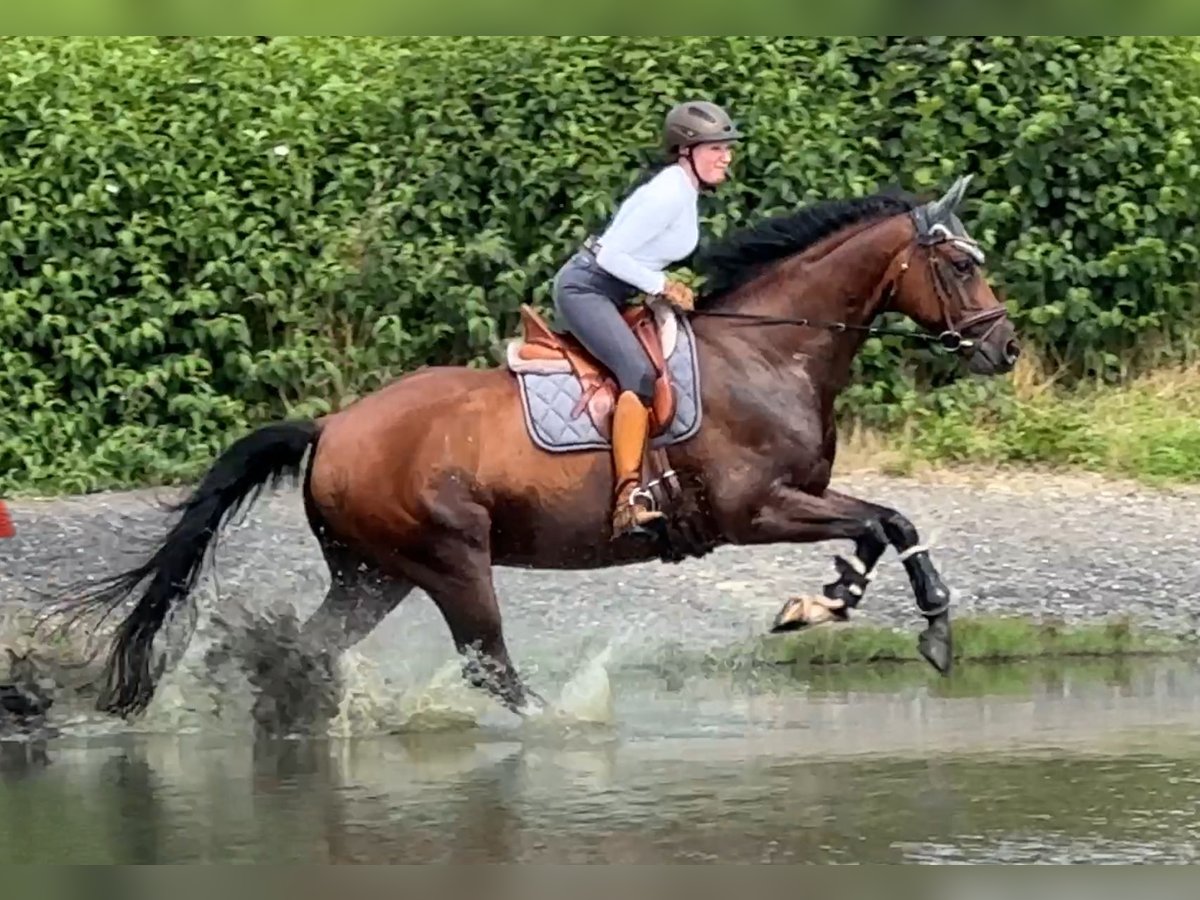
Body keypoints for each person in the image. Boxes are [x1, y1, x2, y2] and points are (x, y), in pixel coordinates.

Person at [552, 99, 743, 538]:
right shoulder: (669, 193)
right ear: (686, 151)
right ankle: (626, 499)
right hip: (587, 290)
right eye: (716, 148)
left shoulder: (683, 189)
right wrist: (660, 286)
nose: (726, 156)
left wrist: (662, 284)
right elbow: (611, 254)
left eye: (726, 148)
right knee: (638, 375)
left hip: (614, 288)